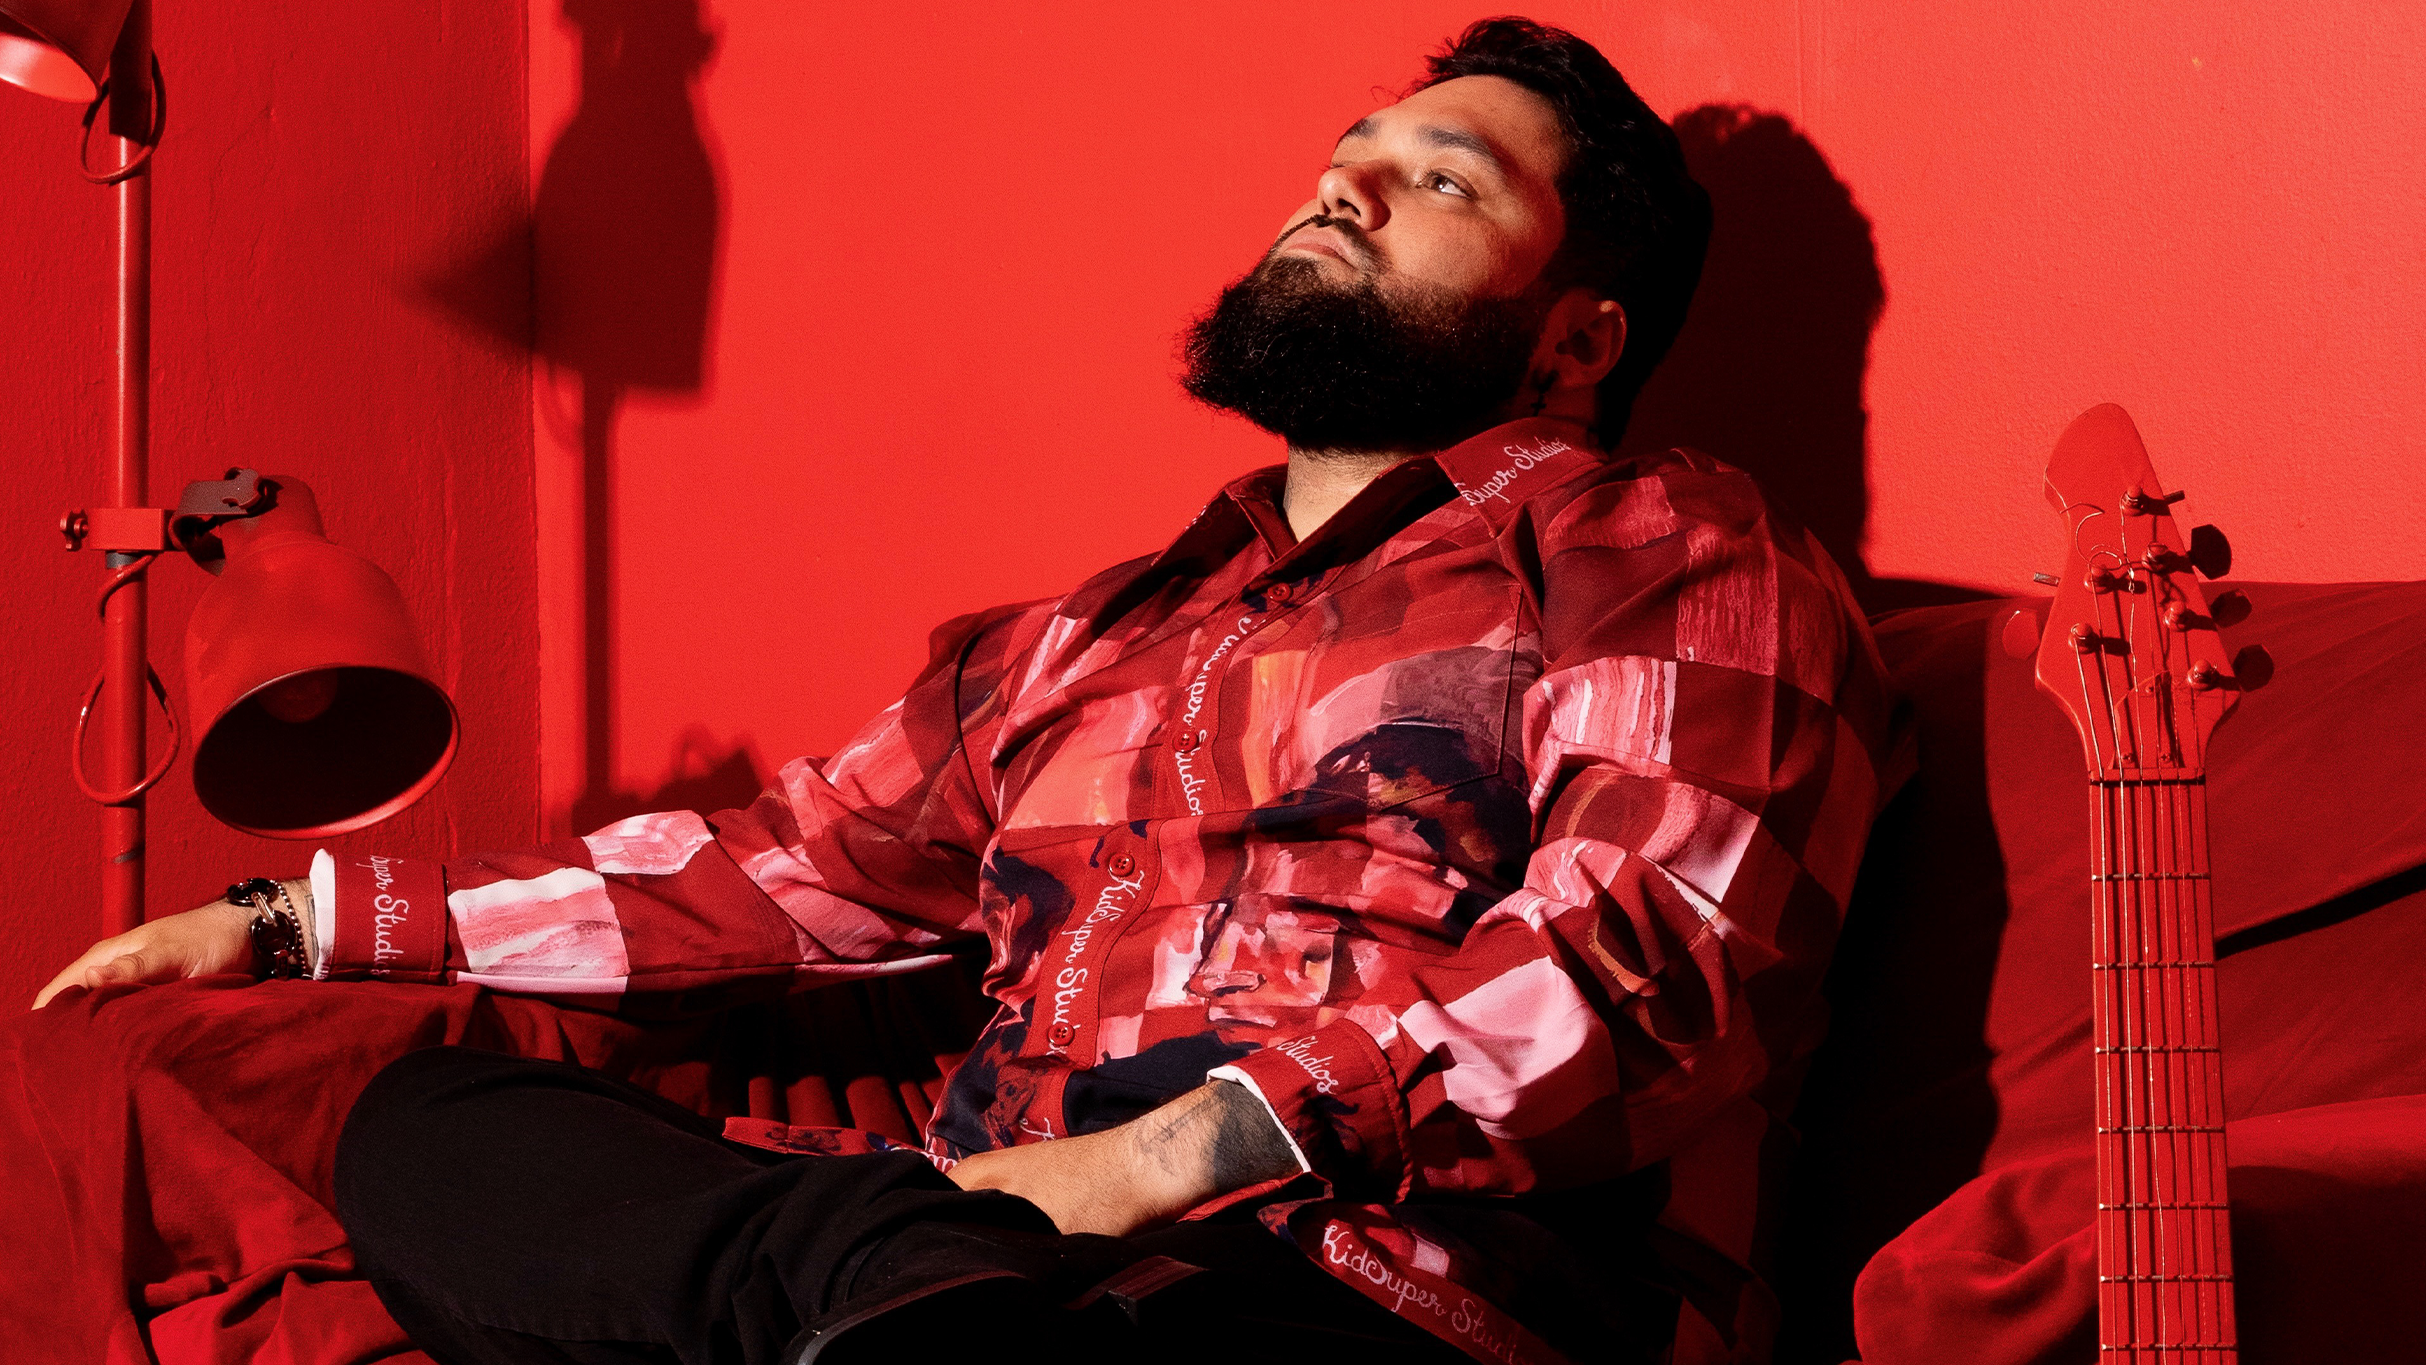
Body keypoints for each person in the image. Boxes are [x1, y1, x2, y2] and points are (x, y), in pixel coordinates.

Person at [33, 17, 1898, 1365]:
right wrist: (294, 922)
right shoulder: (1080, 637)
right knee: (429, 1129)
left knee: (875, 1269)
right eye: (1351, 152)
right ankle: (886, 1296)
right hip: (973, 1254)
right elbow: (779, 873)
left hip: (1372, 1279)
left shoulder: (1663, 540)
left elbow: (1651, 960)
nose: (1342, 184)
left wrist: (1157, 1163)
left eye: (1439, 179)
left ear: (1576, 338)